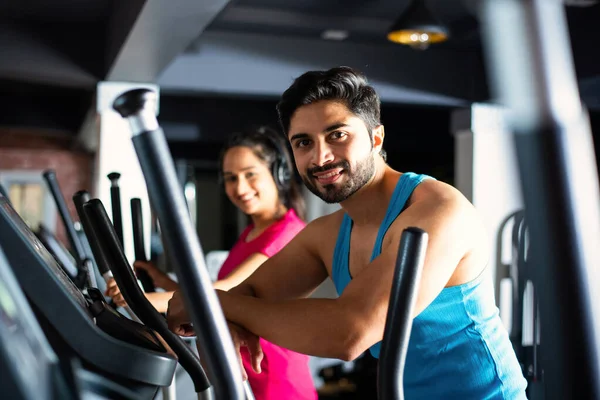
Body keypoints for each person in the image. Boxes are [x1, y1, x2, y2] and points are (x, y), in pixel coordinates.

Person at [167, 66, 528, 399]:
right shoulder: (327, 235)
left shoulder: (437, 212)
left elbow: (349, 333)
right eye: (303, 142)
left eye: (337, 134)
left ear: (375, 137)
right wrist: (226, 315)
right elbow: (252, 293)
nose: (320, 157)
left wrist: (216, 305)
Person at [106, 126, 318, 400]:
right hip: (240, 375)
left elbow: (226, 290)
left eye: (250, 174)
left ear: (278, 174)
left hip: (274, 380)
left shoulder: (287, 234)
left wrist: (137, 297)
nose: (240, 187)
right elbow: (230, 297)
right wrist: (163, 282)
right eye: (231, 178)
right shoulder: (252, 232)